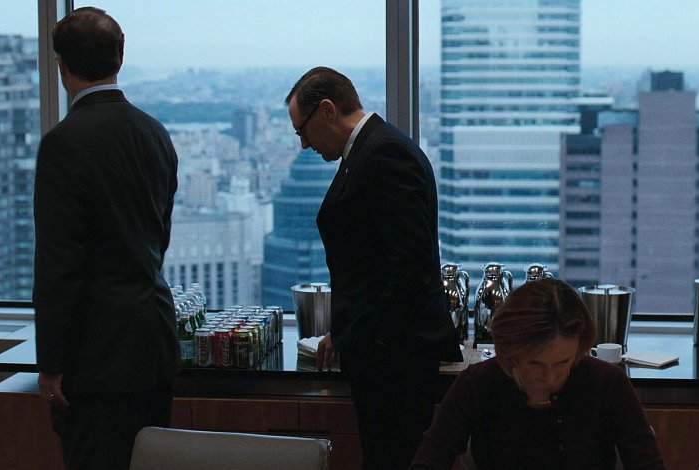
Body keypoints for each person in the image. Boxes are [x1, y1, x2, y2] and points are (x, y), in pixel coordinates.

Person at [285, 66, 463, 469]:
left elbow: (408, 268)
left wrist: (360, 333)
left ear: (327, 110)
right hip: (387, 355)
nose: (304, 144)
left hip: (394, 359)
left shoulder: (384, 155)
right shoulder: (369, 151)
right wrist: (345, 332)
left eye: (303, 131)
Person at [33, 7, 179, 469]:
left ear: (62, 65)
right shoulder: (155, 133)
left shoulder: (64, 143)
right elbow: (159, 238)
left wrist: (50, 363)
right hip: (154, 345)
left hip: (95, 356)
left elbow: (59, 264)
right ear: (120, 57)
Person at [410, 278, 666, 470]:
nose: (550, 376)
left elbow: (648, 464)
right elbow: (430, 459)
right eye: (536, 363)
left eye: (563, 362)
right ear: (511, 350)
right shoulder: (478, 383)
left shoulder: (607, 383)